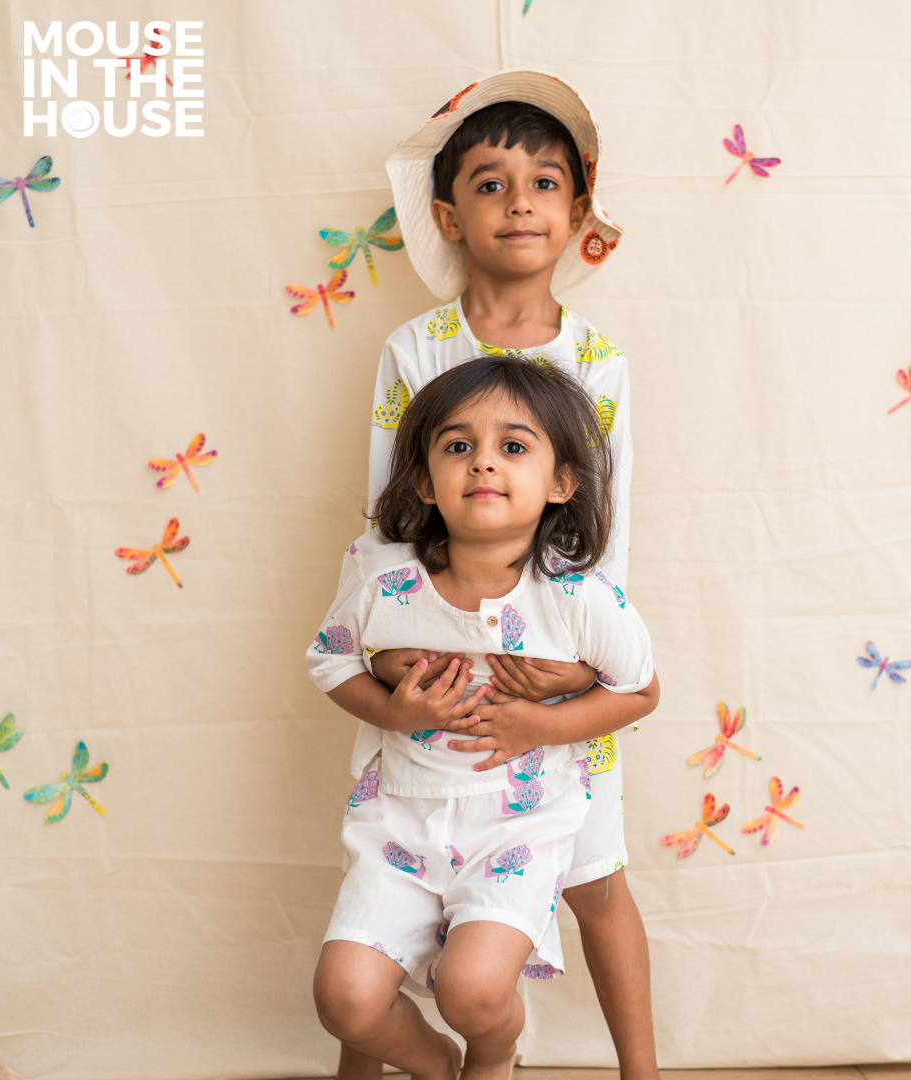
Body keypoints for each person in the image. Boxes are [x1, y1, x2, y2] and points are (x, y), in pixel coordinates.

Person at [353, 71, 660, 1078]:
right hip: (433, 663)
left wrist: (579, 670)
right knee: (397, 880)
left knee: (596, 879)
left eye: (543, 183)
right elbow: (388, 514)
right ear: (448, 214)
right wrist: (394, 660)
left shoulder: (599, 359)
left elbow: (606, 528)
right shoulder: (414, 349)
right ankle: (407, 1049)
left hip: (560, 671)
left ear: (576, 211)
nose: (519, 202)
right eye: (489, 183)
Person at [308, 358, 659, 1080]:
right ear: (424, 482)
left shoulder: (577, 596)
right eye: (459, 446)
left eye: (514, 446)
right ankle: (437, 1063)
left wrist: (540, 726)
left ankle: (493, 1052)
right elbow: (330, 660)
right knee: (343, 999)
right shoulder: (384, 579)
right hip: (400, 821)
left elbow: (640, 690)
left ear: (560, 483)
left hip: (517, 829)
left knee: (473, 992)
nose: (484, 463)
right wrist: (391, 710)